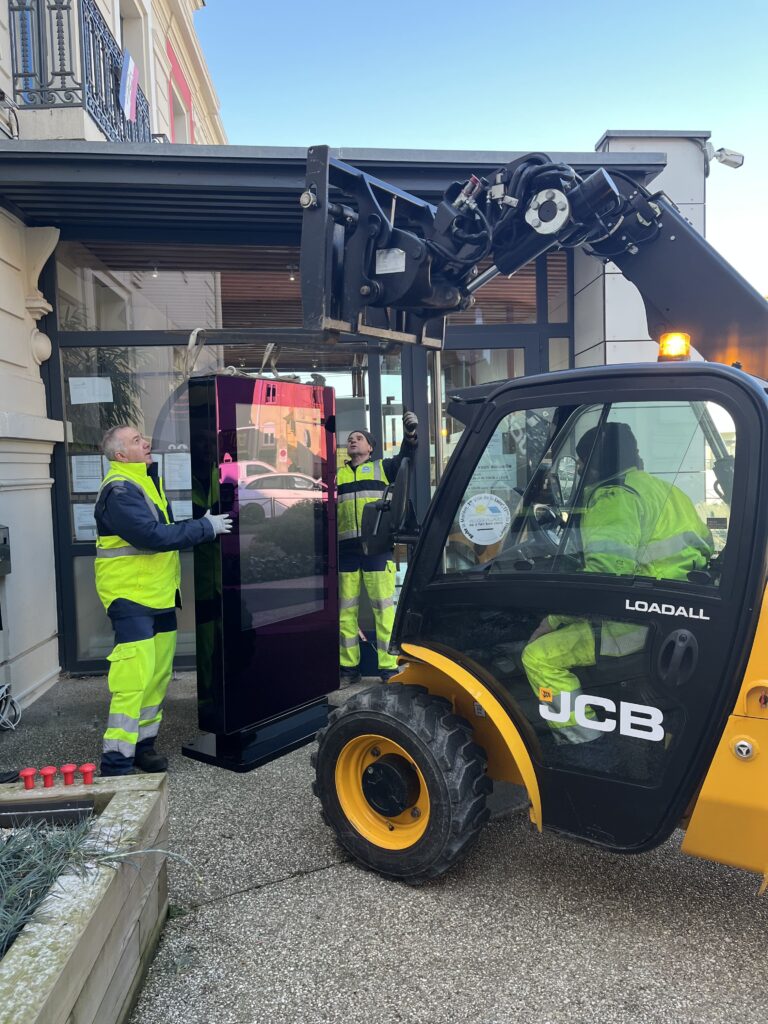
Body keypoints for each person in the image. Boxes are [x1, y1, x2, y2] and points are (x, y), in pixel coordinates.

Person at [522, 422, 713, 744]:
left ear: (596, 464)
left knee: (538, 656)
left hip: (633, 621)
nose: (581, 470)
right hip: (675, 611)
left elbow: (604, 576)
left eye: (582, 463)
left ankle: (583, 742)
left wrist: (553, 619)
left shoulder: (615, 496)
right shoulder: (668, 491)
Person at [94, 425, 232, 776]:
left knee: (156, 678)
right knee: (133, 680)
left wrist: (200, 525)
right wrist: (206, 527)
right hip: (131, 599)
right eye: (137, 441)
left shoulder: (143, 481)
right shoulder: (120, 490)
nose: (147, 443)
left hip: (158, 596)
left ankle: (143, 746)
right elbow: (151, 536)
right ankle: (116, 762)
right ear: (121, 454)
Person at [338, 412, 418, 684]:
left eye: (358, 438)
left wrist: (410, 436)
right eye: (350, 439)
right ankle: (349, 668)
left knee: (384, 610)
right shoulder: (336, 476)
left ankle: (388, 667)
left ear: (370, 447)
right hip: (346, 551)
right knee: (345, 613)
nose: (353, 441)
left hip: (377, 547)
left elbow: (407, 458)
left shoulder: (383, 467)